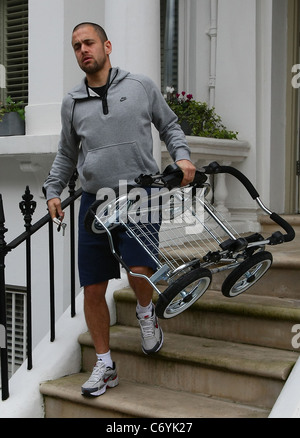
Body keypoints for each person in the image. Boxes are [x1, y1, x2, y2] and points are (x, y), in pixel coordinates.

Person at [43, 22, 196, 397]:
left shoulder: (140, 86)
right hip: (95, 201)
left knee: (139, 268)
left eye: (89, 42)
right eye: (77, 46)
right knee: (92, 289)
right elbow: (67, 153)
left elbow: (169, 125)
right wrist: (53, 191)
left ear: (106, 45)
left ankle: (147, 317)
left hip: (140, 192)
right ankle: (105, 365)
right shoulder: (72, 102)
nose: (83, 50)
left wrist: (183, 157)